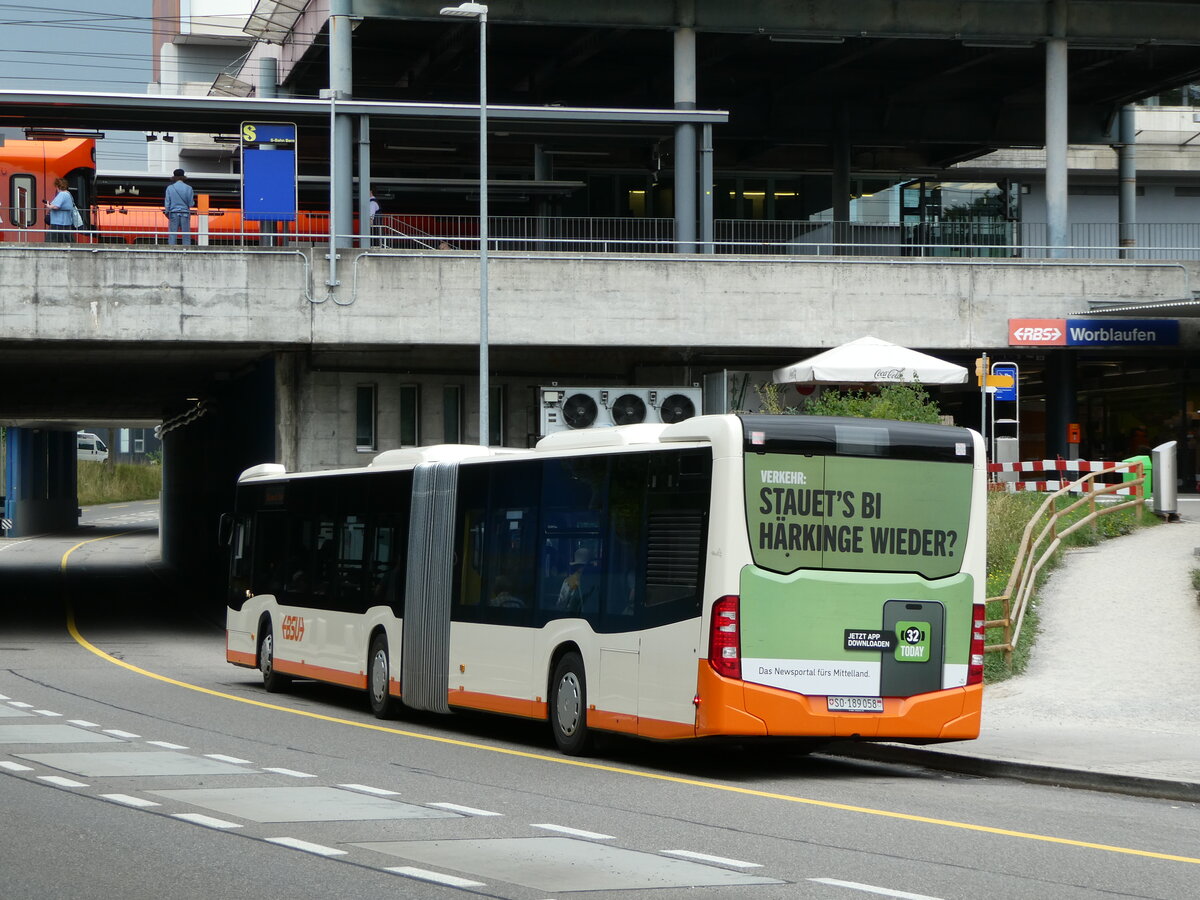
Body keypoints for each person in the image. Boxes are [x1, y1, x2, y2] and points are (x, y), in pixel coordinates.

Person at [164, 168, 195, 246]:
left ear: (174, 177)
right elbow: (191, 203)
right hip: (185, 213)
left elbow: (167, 203)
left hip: (173, 213)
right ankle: (186, 250)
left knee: (172, 234)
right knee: (186, 234)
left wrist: (167, 212)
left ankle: (172, 250)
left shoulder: (170, 188)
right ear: (183, 177)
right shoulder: (189, 188)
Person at [46, 177, 76, 244]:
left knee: (50, 242)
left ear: (57, 186)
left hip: (58, 223)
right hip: (66, 222)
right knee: (68, 241)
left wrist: (48, 205)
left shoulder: (62, 194)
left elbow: (56, 206)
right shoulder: (68, 194)